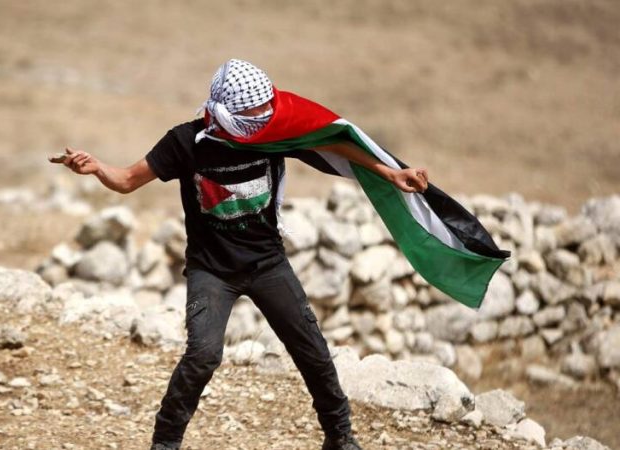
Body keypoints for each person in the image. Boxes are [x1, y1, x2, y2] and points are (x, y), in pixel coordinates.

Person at [56, 59, 428, 450]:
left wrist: (388, 172)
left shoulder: (272, 134)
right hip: (212, 271)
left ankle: (340, 437)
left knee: (313, 351)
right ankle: (165, 443)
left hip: (267, 263)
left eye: (266, 111)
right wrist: (97, 168)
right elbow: (128, 180)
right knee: (203, 355)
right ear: (225, 111)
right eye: (253, 113)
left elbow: (331, 144)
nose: (263, 119)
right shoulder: (184, 142)